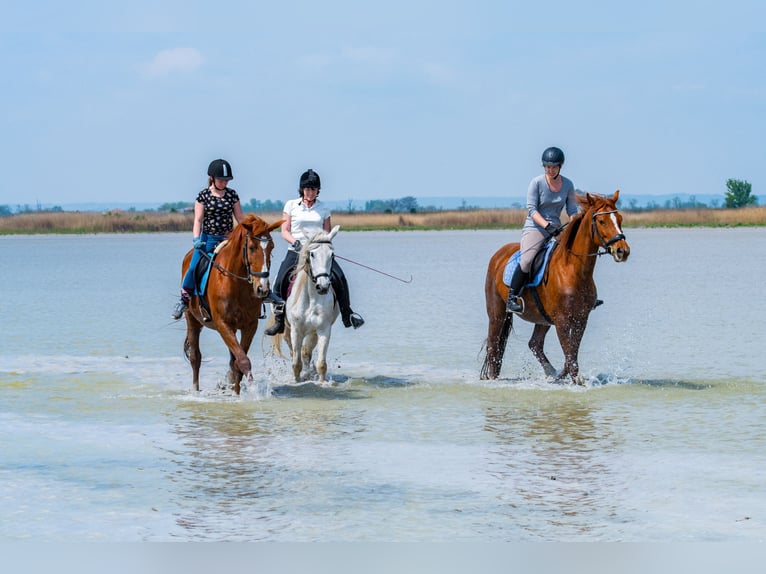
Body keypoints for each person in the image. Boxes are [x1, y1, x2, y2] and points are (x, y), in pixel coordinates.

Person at [264, 168, 364, 336]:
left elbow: (327, 232)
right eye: (308, 189)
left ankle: (348, 315)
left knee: (340, 277)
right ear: (302, 189)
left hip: (318, 252)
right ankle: (280, 321)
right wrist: (294, 242)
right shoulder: (291, 205)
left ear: (318, 190)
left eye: (314, 189)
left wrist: (324, 247)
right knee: (280, 280)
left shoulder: (323, 208)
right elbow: (285, 230)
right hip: (296, 251)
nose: (310, 192)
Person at [506, 146, 580, 313]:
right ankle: (512, 298)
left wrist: (575, 226)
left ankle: (583, 294)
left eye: (553, 166)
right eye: (547, 166)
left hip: (557, 228)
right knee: (527, 260)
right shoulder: (537, 183)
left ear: (560, 166)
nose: (550, 170)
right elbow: (532, 210)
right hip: (535, 227)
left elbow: (572, 212)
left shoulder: (568, 184)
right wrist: (547, 226)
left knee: (576, 254)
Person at [171, 158, 247, 320]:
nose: (224, 183)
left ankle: (258, 295)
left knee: (248, 262)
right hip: (208, 240)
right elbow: (198, 220)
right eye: (221, 180)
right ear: (212, 178)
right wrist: (196, 239)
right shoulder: (203, 196)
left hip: (228, 240)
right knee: (193, 267)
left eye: (226, 180)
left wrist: (248, 233)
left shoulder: (232, 195)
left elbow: (240, 218)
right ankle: (184, 300)